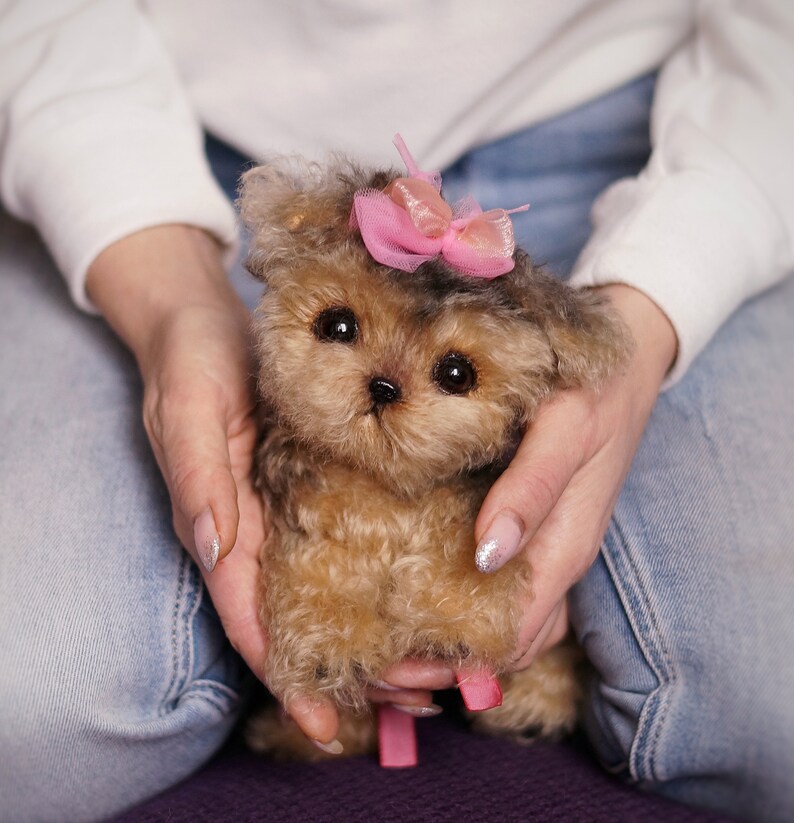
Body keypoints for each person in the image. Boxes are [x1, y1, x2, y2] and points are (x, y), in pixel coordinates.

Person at [1, 1, 792, 820]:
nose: (386, 387)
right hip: (167, 132)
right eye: (340, 331)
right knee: (38, 713)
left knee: (769, 719)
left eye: (452, 372)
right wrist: (169, 300)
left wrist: (664, 291)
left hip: (662, 132)